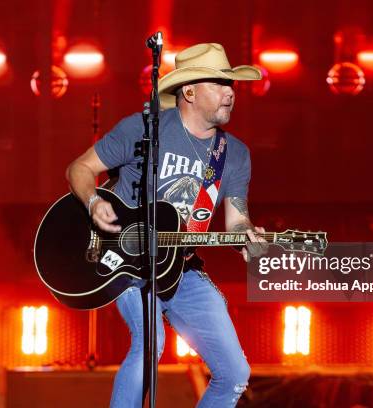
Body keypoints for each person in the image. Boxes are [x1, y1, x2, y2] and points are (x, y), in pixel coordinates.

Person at [67, 42, 268, 407]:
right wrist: (94, 202)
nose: (230, 93)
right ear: (188, 91)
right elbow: (79, 169)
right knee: (151, 342)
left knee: (236, 372)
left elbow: (238, 220)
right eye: (219, 84)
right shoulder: (144, 129)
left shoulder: (235, 155)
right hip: (125, 261)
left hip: (182, 267)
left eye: (232, 85)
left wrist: (248, 239)